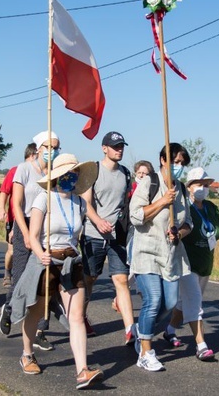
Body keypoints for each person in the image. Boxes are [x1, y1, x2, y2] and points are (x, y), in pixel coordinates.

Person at [10, 153, 104, 389]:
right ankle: (27, 354)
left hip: (71, 262)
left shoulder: (80, 202)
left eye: (75, 173)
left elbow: (83, 230)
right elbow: (32, 235)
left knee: (77, 317)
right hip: (45, 262)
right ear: (57, 176)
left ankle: (82, 370)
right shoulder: (44, 199)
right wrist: (40, 252)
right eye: (67, 174)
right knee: (35, 313)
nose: (71, 177)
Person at [128, 142, 192, 371]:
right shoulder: (149, 182)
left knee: (170, 303)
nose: (178, 166)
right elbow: (135, 216)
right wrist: (162, 202)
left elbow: (188, 224)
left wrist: (178, 233)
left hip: (170, 256)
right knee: (153, 300)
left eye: (182, 163)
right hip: (146, 252)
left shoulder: (182, 189)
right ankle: (146, 351)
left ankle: (141, 330)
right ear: (163, 160)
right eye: (175, 162)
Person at [0, 131, 64, 352]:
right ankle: (10, 308)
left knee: (46, 281)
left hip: (46, 226)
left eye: (56, 147)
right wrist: (25, 234)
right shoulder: (23, 170)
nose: (52, 151)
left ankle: (40, 330)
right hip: (25, 223)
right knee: (21, 276)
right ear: (38, 149)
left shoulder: (56, 173)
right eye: (49, 147)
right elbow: (16, 204)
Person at [165, 167, 219, 361]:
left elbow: (218, 233)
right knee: (195, 303)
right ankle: (201, 345)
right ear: (189, 187)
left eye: (205, 185)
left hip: (205, 263)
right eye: (198, 184)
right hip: (186, 262)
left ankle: (170, 329)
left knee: (185, 302)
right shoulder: (182, 208)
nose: (203, 188)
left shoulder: (211, 208)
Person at [80, 131, 135, 344]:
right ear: (104, 148)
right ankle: (80, 316)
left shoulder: (126, 174)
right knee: (89, 278)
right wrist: (98, 221)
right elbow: (86, 203)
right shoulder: (93, 170)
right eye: (115, 146)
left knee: (121, 279)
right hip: (93, 234)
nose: (119, 149)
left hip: (117, 236)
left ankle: (130, 329)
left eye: (121, 146)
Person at [0, 143, 38, 287]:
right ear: (33, 155)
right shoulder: (17, 170)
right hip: (14, 217)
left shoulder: (41, 173)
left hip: (33, 219)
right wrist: (1, 209)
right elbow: (5, 191)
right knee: (12, 250)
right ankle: (8, 272)